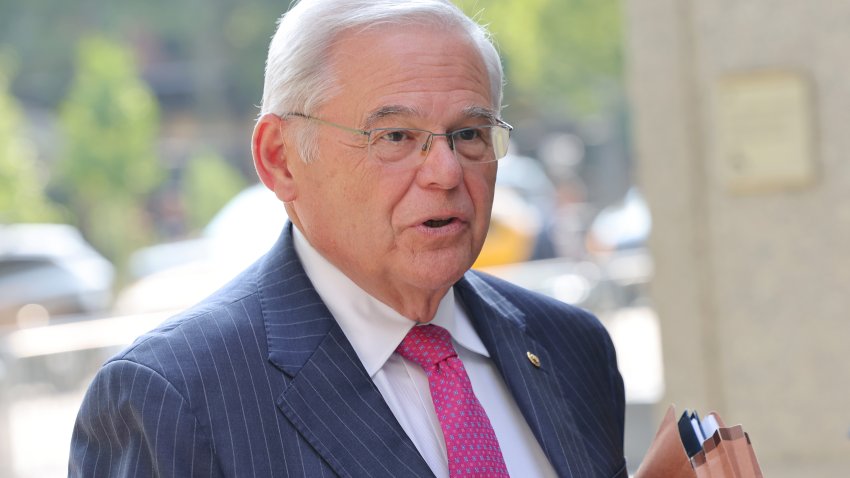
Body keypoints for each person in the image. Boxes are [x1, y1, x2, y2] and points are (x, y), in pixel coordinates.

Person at [69, 1, 627, 476]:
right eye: (395, 135)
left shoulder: (570, 346)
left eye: (469, 134)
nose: (447, 171)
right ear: (280, 159)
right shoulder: (174, 398)